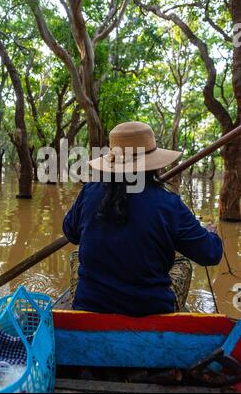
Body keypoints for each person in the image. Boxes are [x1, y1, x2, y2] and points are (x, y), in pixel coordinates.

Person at [63, 122, 223, 316]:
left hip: (90, 304)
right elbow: (211, 254)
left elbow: (71, 233)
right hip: (151, 310)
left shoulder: (89, 191)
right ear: (152, 164)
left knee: (76, 256)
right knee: (182, 263)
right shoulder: (168, 203)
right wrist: (211, 234)